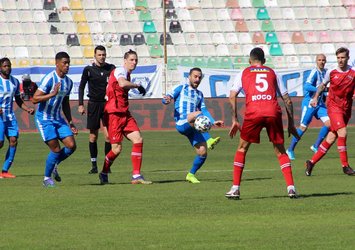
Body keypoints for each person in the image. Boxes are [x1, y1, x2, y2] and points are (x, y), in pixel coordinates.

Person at [225, 48, 300, 199]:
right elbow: (288, 100)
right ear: (264, 61)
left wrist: (234, 120)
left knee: (241, 149)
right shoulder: (273, 73)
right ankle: (291, 188)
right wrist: (291, 124)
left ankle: (235, 188)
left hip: (254, 113)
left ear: (249, 61)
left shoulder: (244, 72)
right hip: (273, 111)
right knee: (280, 150)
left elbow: (232, 96)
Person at [162, 67, 224, 184]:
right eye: (195, 76)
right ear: (189, 77)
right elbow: (167, 98)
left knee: (202, 152)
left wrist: (213, 121)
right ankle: (209, 139)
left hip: (193, 124)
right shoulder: (181, 88)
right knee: (197, 114)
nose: (197, 79)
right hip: (182, 122)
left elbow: (204, 111)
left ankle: (190, 175)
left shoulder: (200, 94)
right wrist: (166, 100)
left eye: (199, 77)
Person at [98, 49, 151, 185]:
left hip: (124, 113)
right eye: (131, 60)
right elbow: (122, 83)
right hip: (114, 114)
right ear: (125, 61)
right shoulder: (120, 71)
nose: (134, 62)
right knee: (116, 149)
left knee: (138, 139)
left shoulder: (127, 73)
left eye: (136, 60)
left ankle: (136, 176)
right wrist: (137, 86)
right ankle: (104, 172)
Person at [305, 47, 355, 176]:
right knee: (343, 132)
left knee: (332, 137)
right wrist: (316, 97)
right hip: (333, 107)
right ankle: (345, 166)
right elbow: (322, 85)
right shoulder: (331, 72)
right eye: (338, 58)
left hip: (346, 108)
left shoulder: (353, 72)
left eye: (342, 57)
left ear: (348, 58)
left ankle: (311, 162)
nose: (340, 60)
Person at [32, 52, 78, 187]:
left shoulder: (68, 82)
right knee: (56, 150)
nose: (67, 65)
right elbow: (34, 99)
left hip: (58, 119)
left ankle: (55, 164)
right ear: (57, 63)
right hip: (44, 119)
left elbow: (65, 103)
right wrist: (52, 94)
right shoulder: (49, 79)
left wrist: (70, 122)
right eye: (65, 63)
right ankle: (46, 178)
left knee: (71, 145)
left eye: (68, 63)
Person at [78, 45, 115, 174]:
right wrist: (81, 104)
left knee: (109, 137)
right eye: (99, 55)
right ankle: (94, 165)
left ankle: (107, 165)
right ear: (95, 55)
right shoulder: (88, 70)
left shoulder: (111, 69)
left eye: (103, 54)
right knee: (93, 136)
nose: (102, 57)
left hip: (107, 105)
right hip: (93, 104)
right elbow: (81, 87)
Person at [286, 54, 330, 160]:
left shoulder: (325, 73)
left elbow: (324, 88)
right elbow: (306, 86)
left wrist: (325, 93)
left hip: (319, 104)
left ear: (326, 61)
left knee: (330, 124)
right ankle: (290, 149)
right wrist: (320, 89)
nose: (321, 62)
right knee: (303, 127)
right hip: (310, 103)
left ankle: (315, 146)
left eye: (323, 60)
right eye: (319, 60)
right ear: (316, 61)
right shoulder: (314, 72)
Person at [0, 57, 35, 178]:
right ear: (0, 68)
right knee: (0, 142)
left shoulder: (14, 82)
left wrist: (27, 108)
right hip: (0, 117)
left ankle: (5, 171)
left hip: (9, 117)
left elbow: (18, 100)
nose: (8, 68)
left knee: (13, 141)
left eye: (9, 66)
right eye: (5, 66)